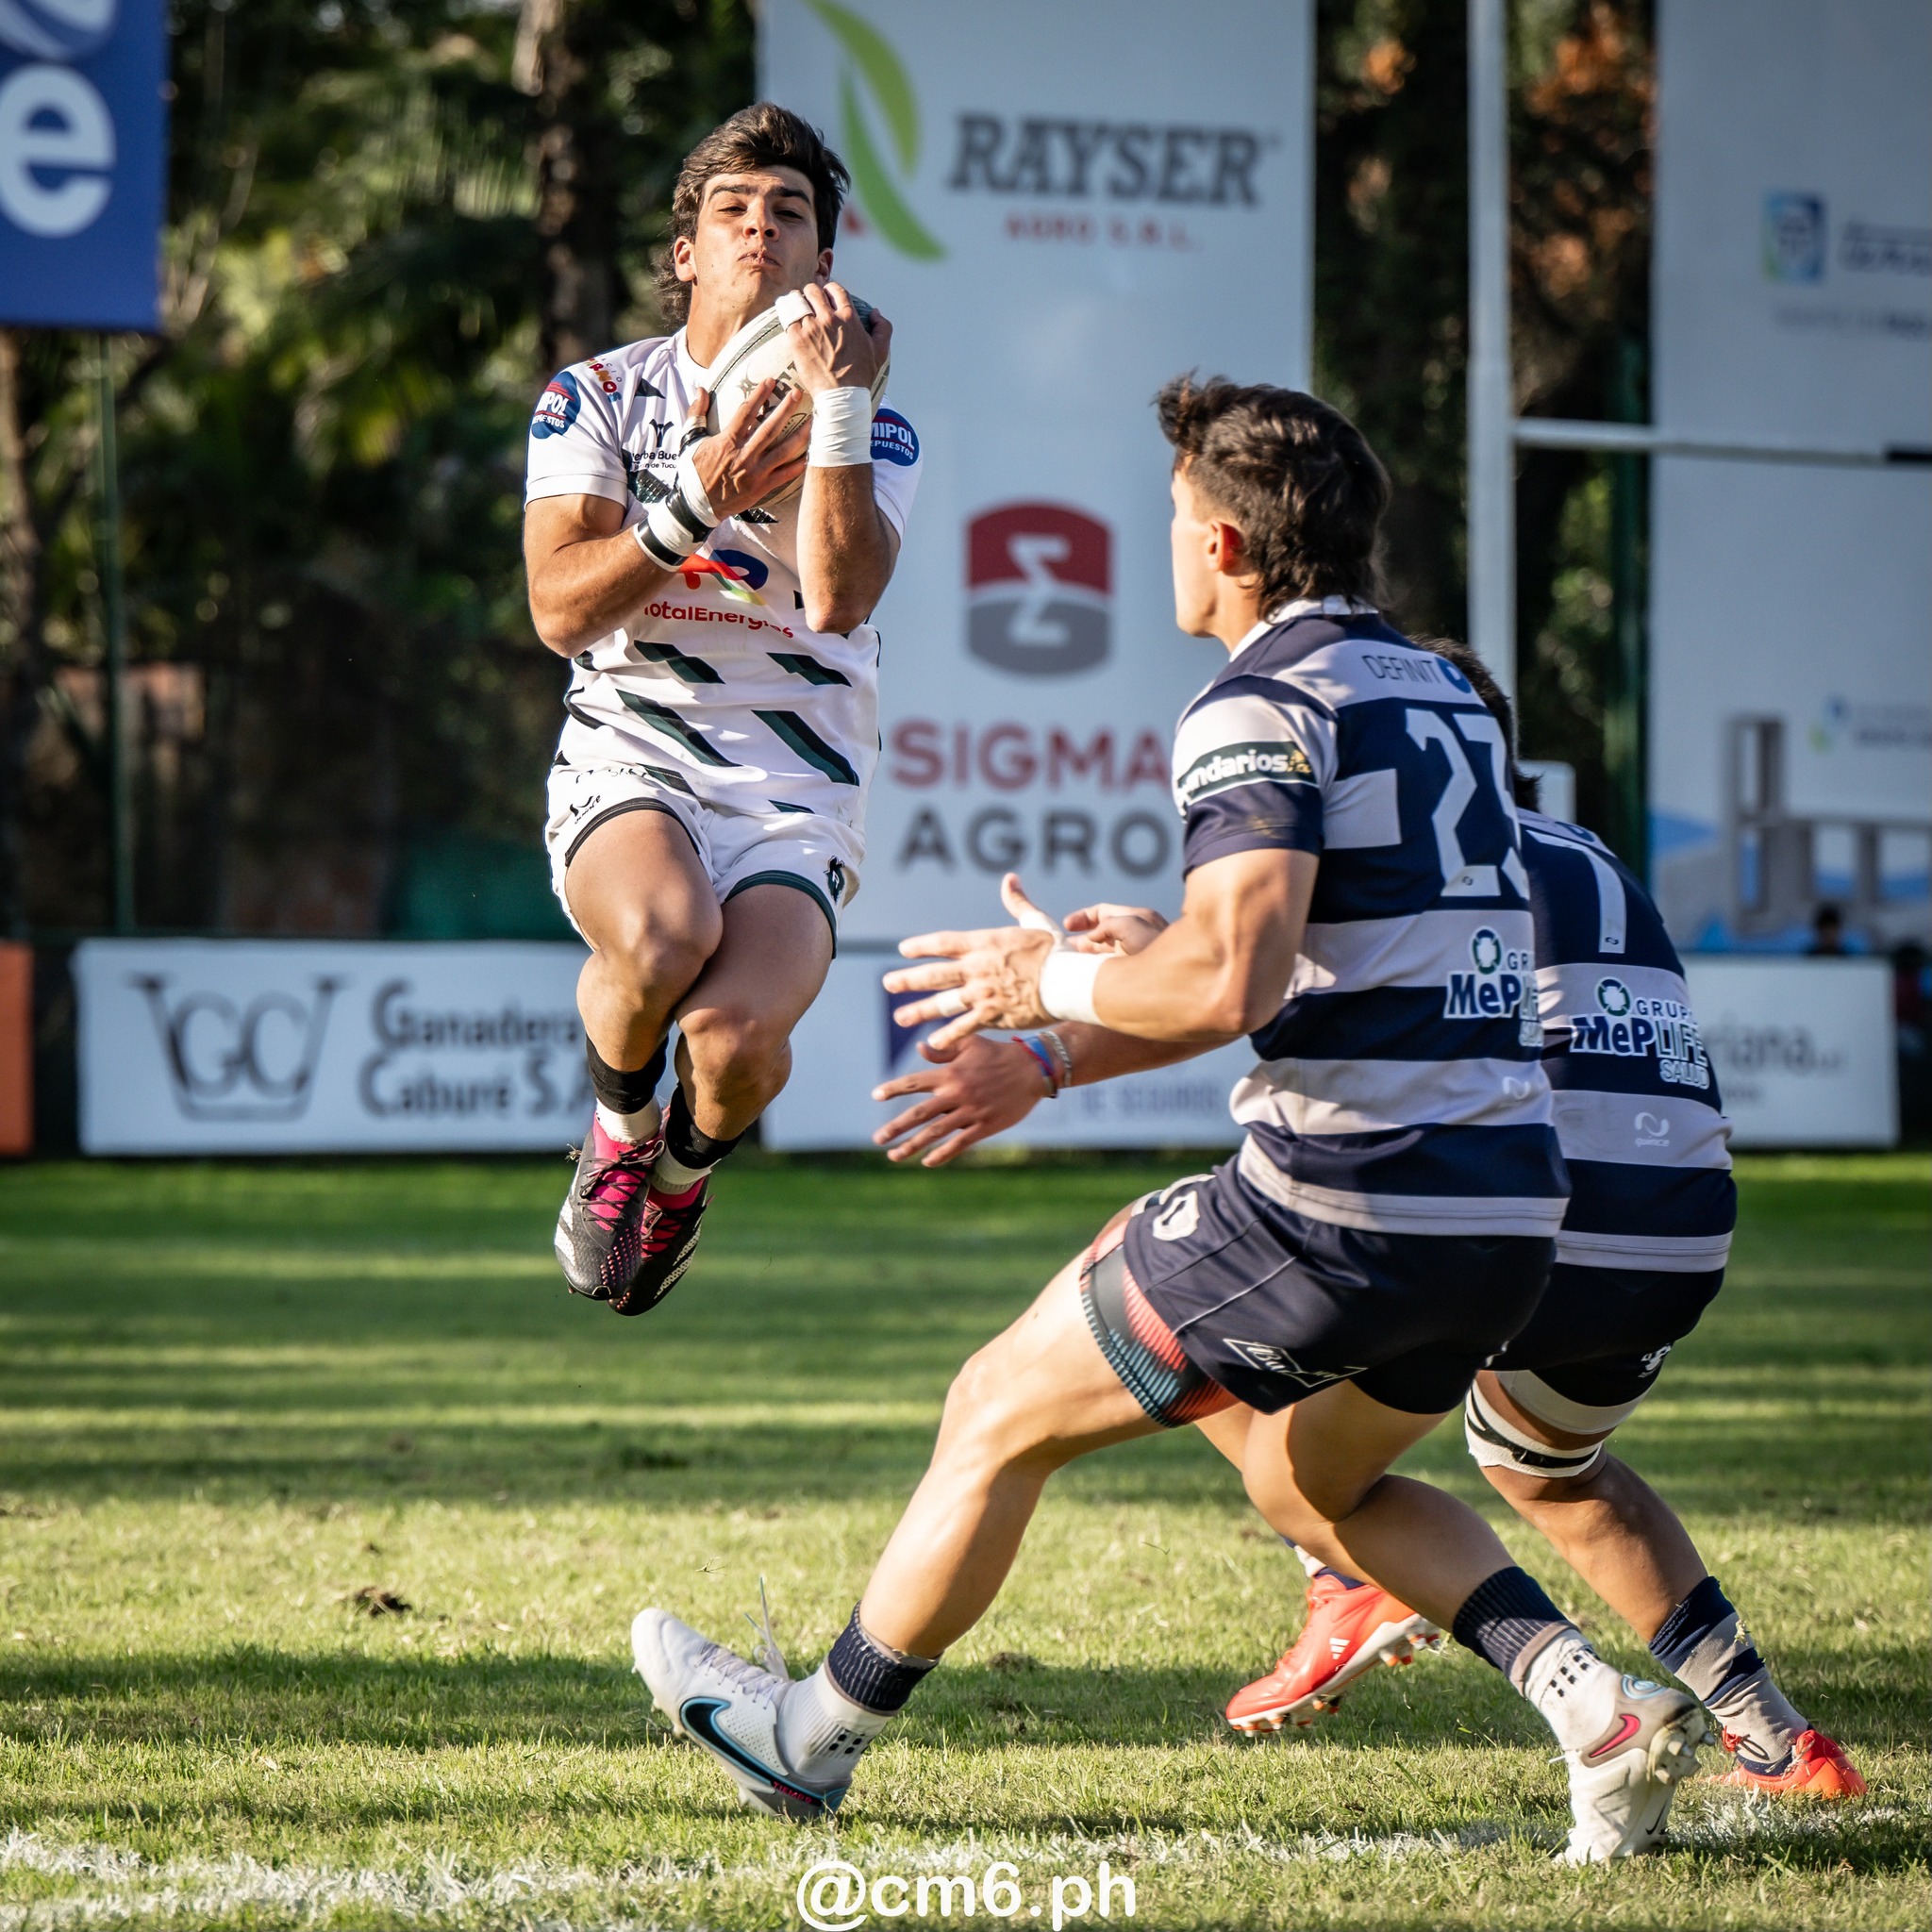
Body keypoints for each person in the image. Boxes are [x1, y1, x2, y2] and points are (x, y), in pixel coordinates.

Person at [630, 377, 1713, 1863]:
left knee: (995, 1412)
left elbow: (1236, 978)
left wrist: (1051, 971)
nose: (1164, 544)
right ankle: (1599, 1709)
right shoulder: (1443, 690)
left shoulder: (1256, 705)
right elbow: (1344, 942)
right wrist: (1137, 968)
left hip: (1352, 1202)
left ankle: (807, 1741)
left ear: (1223, 544)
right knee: (1309, 1477)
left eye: (1170, 518)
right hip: (1510, 1204)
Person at [874, 641, 1865, 1804]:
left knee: (1188, 1296)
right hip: (1679, 1231)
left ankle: (1343, 1570)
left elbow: (1241, 990)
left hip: (1523, 1216)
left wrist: (1058, 1035)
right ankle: (1774, 1735)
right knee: (1545, 1467)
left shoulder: (1421, 866)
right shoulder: (1584, 851)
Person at [522, 104, 919, 1314]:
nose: (760, 227)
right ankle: (617, 1137)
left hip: (794, 777)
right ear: (685, 250)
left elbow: (843, 599)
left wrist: (837, 413)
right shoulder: (593, 395)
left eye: (788, 212)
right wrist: (687, 504)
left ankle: (682, 1182)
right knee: (656, 938)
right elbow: (558, 608)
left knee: (740, 1046)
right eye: (731, 209)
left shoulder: (873, 418)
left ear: (823, 267)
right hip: (632, 742)